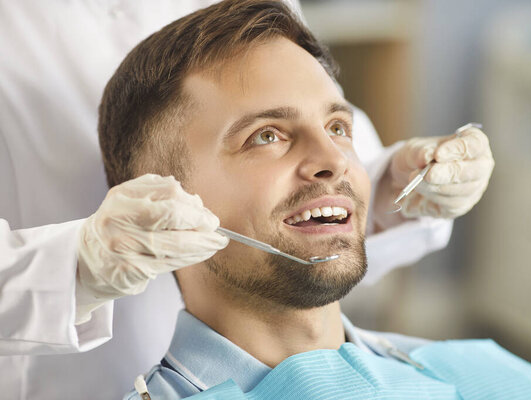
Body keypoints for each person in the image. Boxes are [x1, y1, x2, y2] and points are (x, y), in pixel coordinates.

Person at [0, 0, 493, 398]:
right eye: (265, 137)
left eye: (337, 129)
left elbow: (312, 125)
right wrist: (80, 266)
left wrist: (384, 187)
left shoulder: (498, 380)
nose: (337, 160)